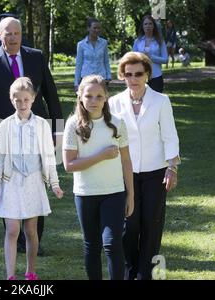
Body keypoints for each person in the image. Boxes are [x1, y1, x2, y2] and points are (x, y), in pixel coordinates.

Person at [0, 16, 63, 256]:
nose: (12, 38)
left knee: (35, 181)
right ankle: (15, 236)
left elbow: (51, 94)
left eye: (16, 33)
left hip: (37, 130)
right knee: (9, 183)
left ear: (22, 35)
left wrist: (57, 129)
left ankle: (34, 239)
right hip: (4, 133)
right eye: (8, 33)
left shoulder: (35, 57)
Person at [108, 52, 180, 280]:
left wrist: (172, 168)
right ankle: (131, 270)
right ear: (122, 76)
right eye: (128, 74)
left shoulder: (161, 101)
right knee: (129, 226)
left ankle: (145, 274)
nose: (134, 79)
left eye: (138, 74)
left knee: (151, 224)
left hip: (155, 173)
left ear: (147, 74)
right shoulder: (113, 103)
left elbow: (170, 136)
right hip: (124, 173)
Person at [62, 75, 134, 280]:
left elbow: (126, 162)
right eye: (89, 96)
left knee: (112, 244)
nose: (93, 101)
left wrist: (130, 195)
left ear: (106, 98)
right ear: (80, 97)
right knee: (92, 246)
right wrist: (101, 156)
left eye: (99, 96)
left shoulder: (117, 123)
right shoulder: (73, 125)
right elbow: (69, 165)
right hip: (85, 194)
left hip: (114, 193)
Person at [0, 77, 64, 280]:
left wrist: (55, 184)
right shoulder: (5, 125)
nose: (22, 104)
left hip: (33, 181)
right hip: (11, 181)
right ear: (11, 99)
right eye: (17, 100)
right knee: (13, 230)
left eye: (26, 99)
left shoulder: (41, 125)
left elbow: (49, 156)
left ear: (33, 99)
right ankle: (10, 275)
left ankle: (30, 271)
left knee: (31, 230)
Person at [74, 18, 111, 91]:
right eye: (94, 28)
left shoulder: (104, 43)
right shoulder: (81, 44)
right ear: (88, 28)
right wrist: (76, 83)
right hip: (86, 79)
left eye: (98, 28)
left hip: (101, 78)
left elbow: (106, 61)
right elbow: (78, 64)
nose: (97, 30)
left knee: (101, 100)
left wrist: (108, 77)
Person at [133, 15, 168, 93]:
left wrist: (151, 57)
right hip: (140, 76)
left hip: (156, 76)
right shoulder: (137, 41)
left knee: (156, 103)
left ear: (153, 26)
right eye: (145, 24)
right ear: (142, 26)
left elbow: (165, 60)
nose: (148, 26)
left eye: (150, 24)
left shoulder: (160, 41)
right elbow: (133, 59)